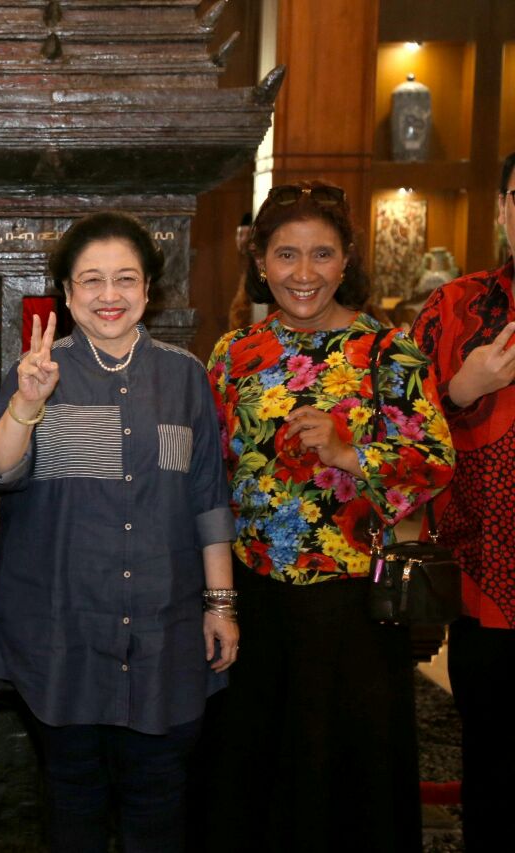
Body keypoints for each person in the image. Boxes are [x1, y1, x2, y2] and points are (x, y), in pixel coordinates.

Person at [0, 212, 238, 852]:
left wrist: (221, 603)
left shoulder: (183, 376)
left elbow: (208, 496)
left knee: (158, 798)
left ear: (149, 290)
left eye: (125, 279)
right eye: (91, 280)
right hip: (61, 630)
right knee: (72, 799)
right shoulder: (38, 370)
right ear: (67, 293)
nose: (109, 295)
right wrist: (27, 406)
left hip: (163, 628)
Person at [203, 181, 455, 853]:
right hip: (255, 602)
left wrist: (348, 452)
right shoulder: (234, 356)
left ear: (346, 261)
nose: (304, 273)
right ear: (261, 262)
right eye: (287, 255)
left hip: (353, 606)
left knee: (348, 787)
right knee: (255, 777)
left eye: (322, 254)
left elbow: (432, 459)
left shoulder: (387, 353)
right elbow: (206, 478)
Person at [410, 151, 515, 853]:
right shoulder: (454, 308)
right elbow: (399, 444)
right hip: (492, 588)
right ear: (505, 209)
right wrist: (461, 389)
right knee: (497, 779)